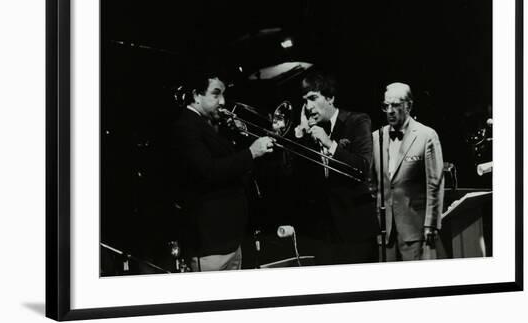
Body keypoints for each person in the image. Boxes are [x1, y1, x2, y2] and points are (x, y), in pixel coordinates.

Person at [171, 72, 275, 271]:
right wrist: (251, 152)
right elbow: (208, 170)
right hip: (209, 242)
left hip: (230, 238)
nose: (223, 101)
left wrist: (240, 135)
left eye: (223, 95)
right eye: (216, 94)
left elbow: (232, 165)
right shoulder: (186, 125)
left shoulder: (209, 124)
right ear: (196, 95)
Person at [292, 72, 379, 265]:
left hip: (357, 233)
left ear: (330, 98)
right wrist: (300, 136)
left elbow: (362, 167)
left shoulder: (357, 121)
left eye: (313, 98)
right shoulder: (310, 132)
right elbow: (297, 180)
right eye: (305, 101)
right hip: (325, 236)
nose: (308, 107)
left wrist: (329, 144)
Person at [372, 82, 445, 261]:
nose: (390, 110)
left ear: (409, 105)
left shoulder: (426, 135)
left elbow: (434, 184)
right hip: (385, 231)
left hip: (415, 229)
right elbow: (372, 183)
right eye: (386, 105)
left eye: (395, 105)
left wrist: (432, 224)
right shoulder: (376, 137)